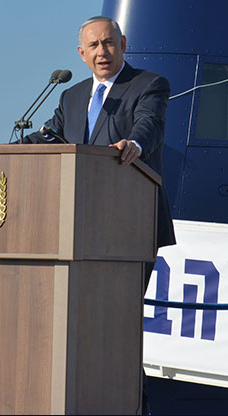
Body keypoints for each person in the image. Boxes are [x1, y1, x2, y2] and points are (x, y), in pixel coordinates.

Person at [23, 16, 176, 255]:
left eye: (109, 43)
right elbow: (48, 135)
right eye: (93, 45)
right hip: (77, 222)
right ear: (82, 53)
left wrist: (134, 145)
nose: (102, 51)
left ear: (123, 44)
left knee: (123, 294)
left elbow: (150, 123)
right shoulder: (71, 96)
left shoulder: (149, 84)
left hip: (131, 218)